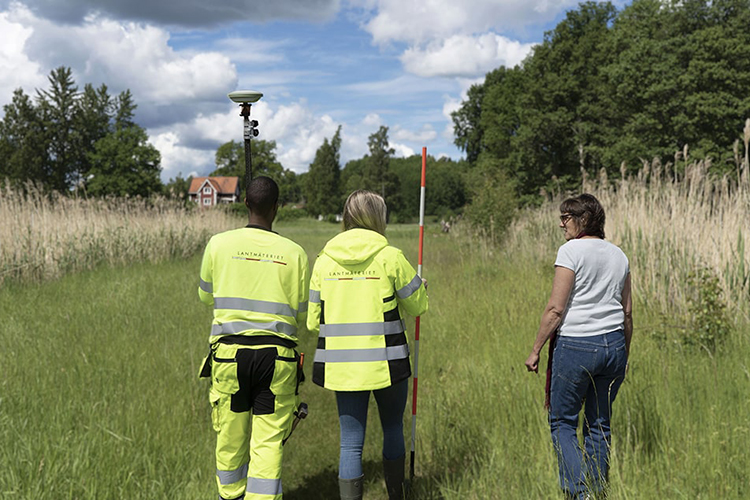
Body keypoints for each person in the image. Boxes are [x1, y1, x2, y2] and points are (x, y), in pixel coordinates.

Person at [306, 190, 429, 500]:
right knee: (392, 429)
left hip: (342, 365)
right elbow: (417, 307)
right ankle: (397, 496)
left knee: (350, 442)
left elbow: (311, 322)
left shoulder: (324, 261)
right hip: (388, 364)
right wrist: (420, 287)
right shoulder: (391, 257)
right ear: (378, 217)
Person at [198, 176, 309, 500]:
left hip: (229, 358)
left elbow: (207, 296)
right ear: (277, 208)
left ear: (245, 203)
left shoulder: (218, 244)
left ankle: (229, 495)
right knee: (269, 443)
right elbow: (301, 312)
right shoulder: (295, 253)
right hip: (277, 360)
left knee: (230, 439)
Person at [524, 193, 632, 500]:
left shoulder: (571, 251)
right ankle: (598, 491)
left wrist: (535, 350)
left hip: (576, 346)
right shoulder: (619, 255)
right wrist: (623, 354)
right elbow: (627, 312)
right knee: (599, 425)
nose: (561, 223)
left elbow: (556, 310)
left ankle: (578, 493)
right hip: (613, 344)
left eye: (566, 217)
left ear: (584, 219)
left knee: (562, 422)